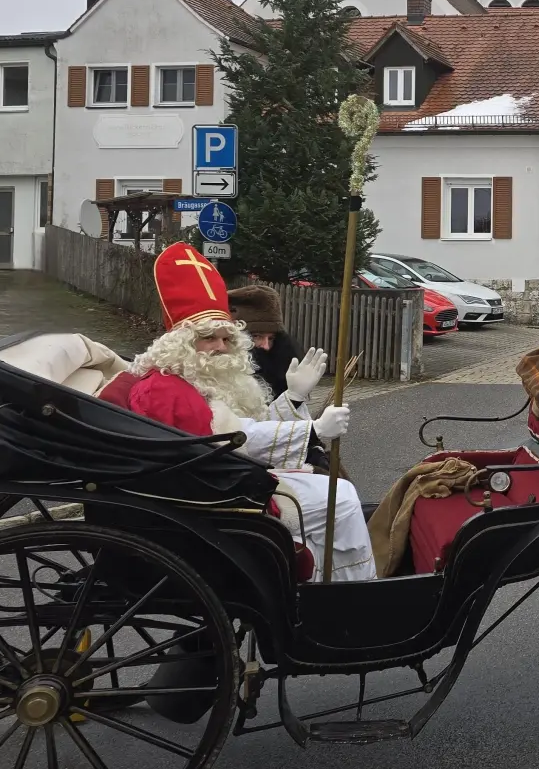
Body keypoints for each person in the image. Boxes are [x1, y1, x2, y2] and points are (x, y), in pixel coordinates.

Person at [124, 242, 376, 582]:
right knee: (340, 499)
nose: (220, 348)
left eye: (226, 339)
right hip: (216, 497)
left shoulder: (190, 378)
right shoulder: (166, 389)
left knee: (334, 489)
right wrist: (312, 431)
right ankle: (345, 596)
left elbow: (243, 427)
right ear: (180, 344)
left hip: (223, 481)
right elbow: (233, 439)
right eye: (208, 338)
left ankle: (314, 584)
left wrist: (295, 398)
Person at [230, 283, 332, 471]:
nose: (266, 346)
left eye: (271, 339)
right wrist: (310, 427)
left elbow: (273, 420)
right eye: (256, 336)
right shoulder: (225, 379)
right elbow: (249, 435)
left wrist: (314, 448)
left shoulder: (271, 372)